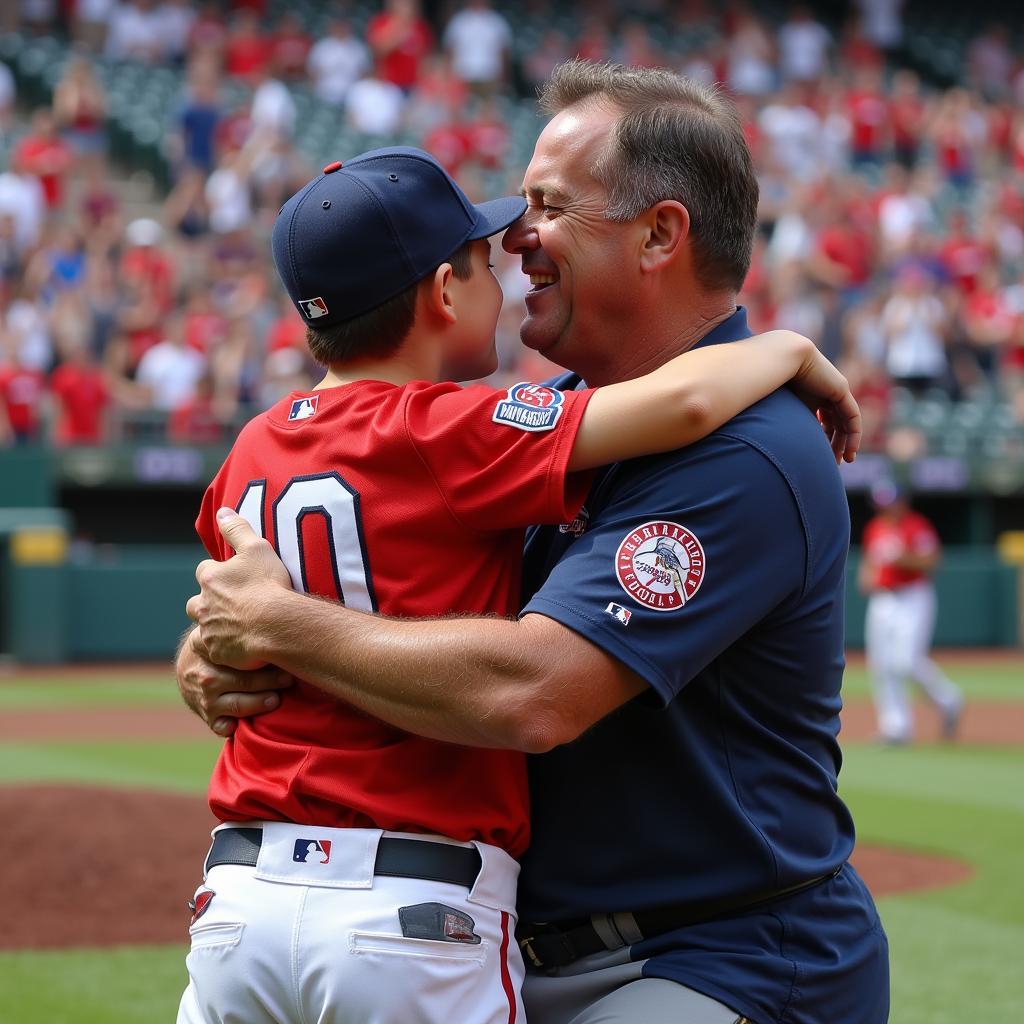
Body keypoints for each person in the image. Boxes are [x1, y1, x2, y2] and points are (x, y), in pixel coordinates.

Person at [180, 61, 887, 1024]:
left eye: (549, 205)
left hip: (718, 955)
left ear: (659, 234)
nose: (515, 235)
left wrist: (279, 627)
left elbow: (535, 692)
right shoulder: (532, 420)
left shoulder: (751, 450)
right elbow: (300, 589)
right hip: (509, 944)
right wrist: (219, 646)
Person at [859, 480, 963, 744]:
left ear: (902, 501)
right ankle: (896, 728)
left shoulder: (915, 525)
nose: (885, 508)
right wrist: (867, 578)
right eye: (881, 503)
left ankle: (949, 699)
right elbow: (869, 564)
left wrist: (903, 557)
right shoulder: (876, 528)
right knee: (882, 665)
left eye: (890, 502)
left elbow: (933, 561)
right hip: (883, 600)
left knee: (905, 661)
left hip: (912, 596)